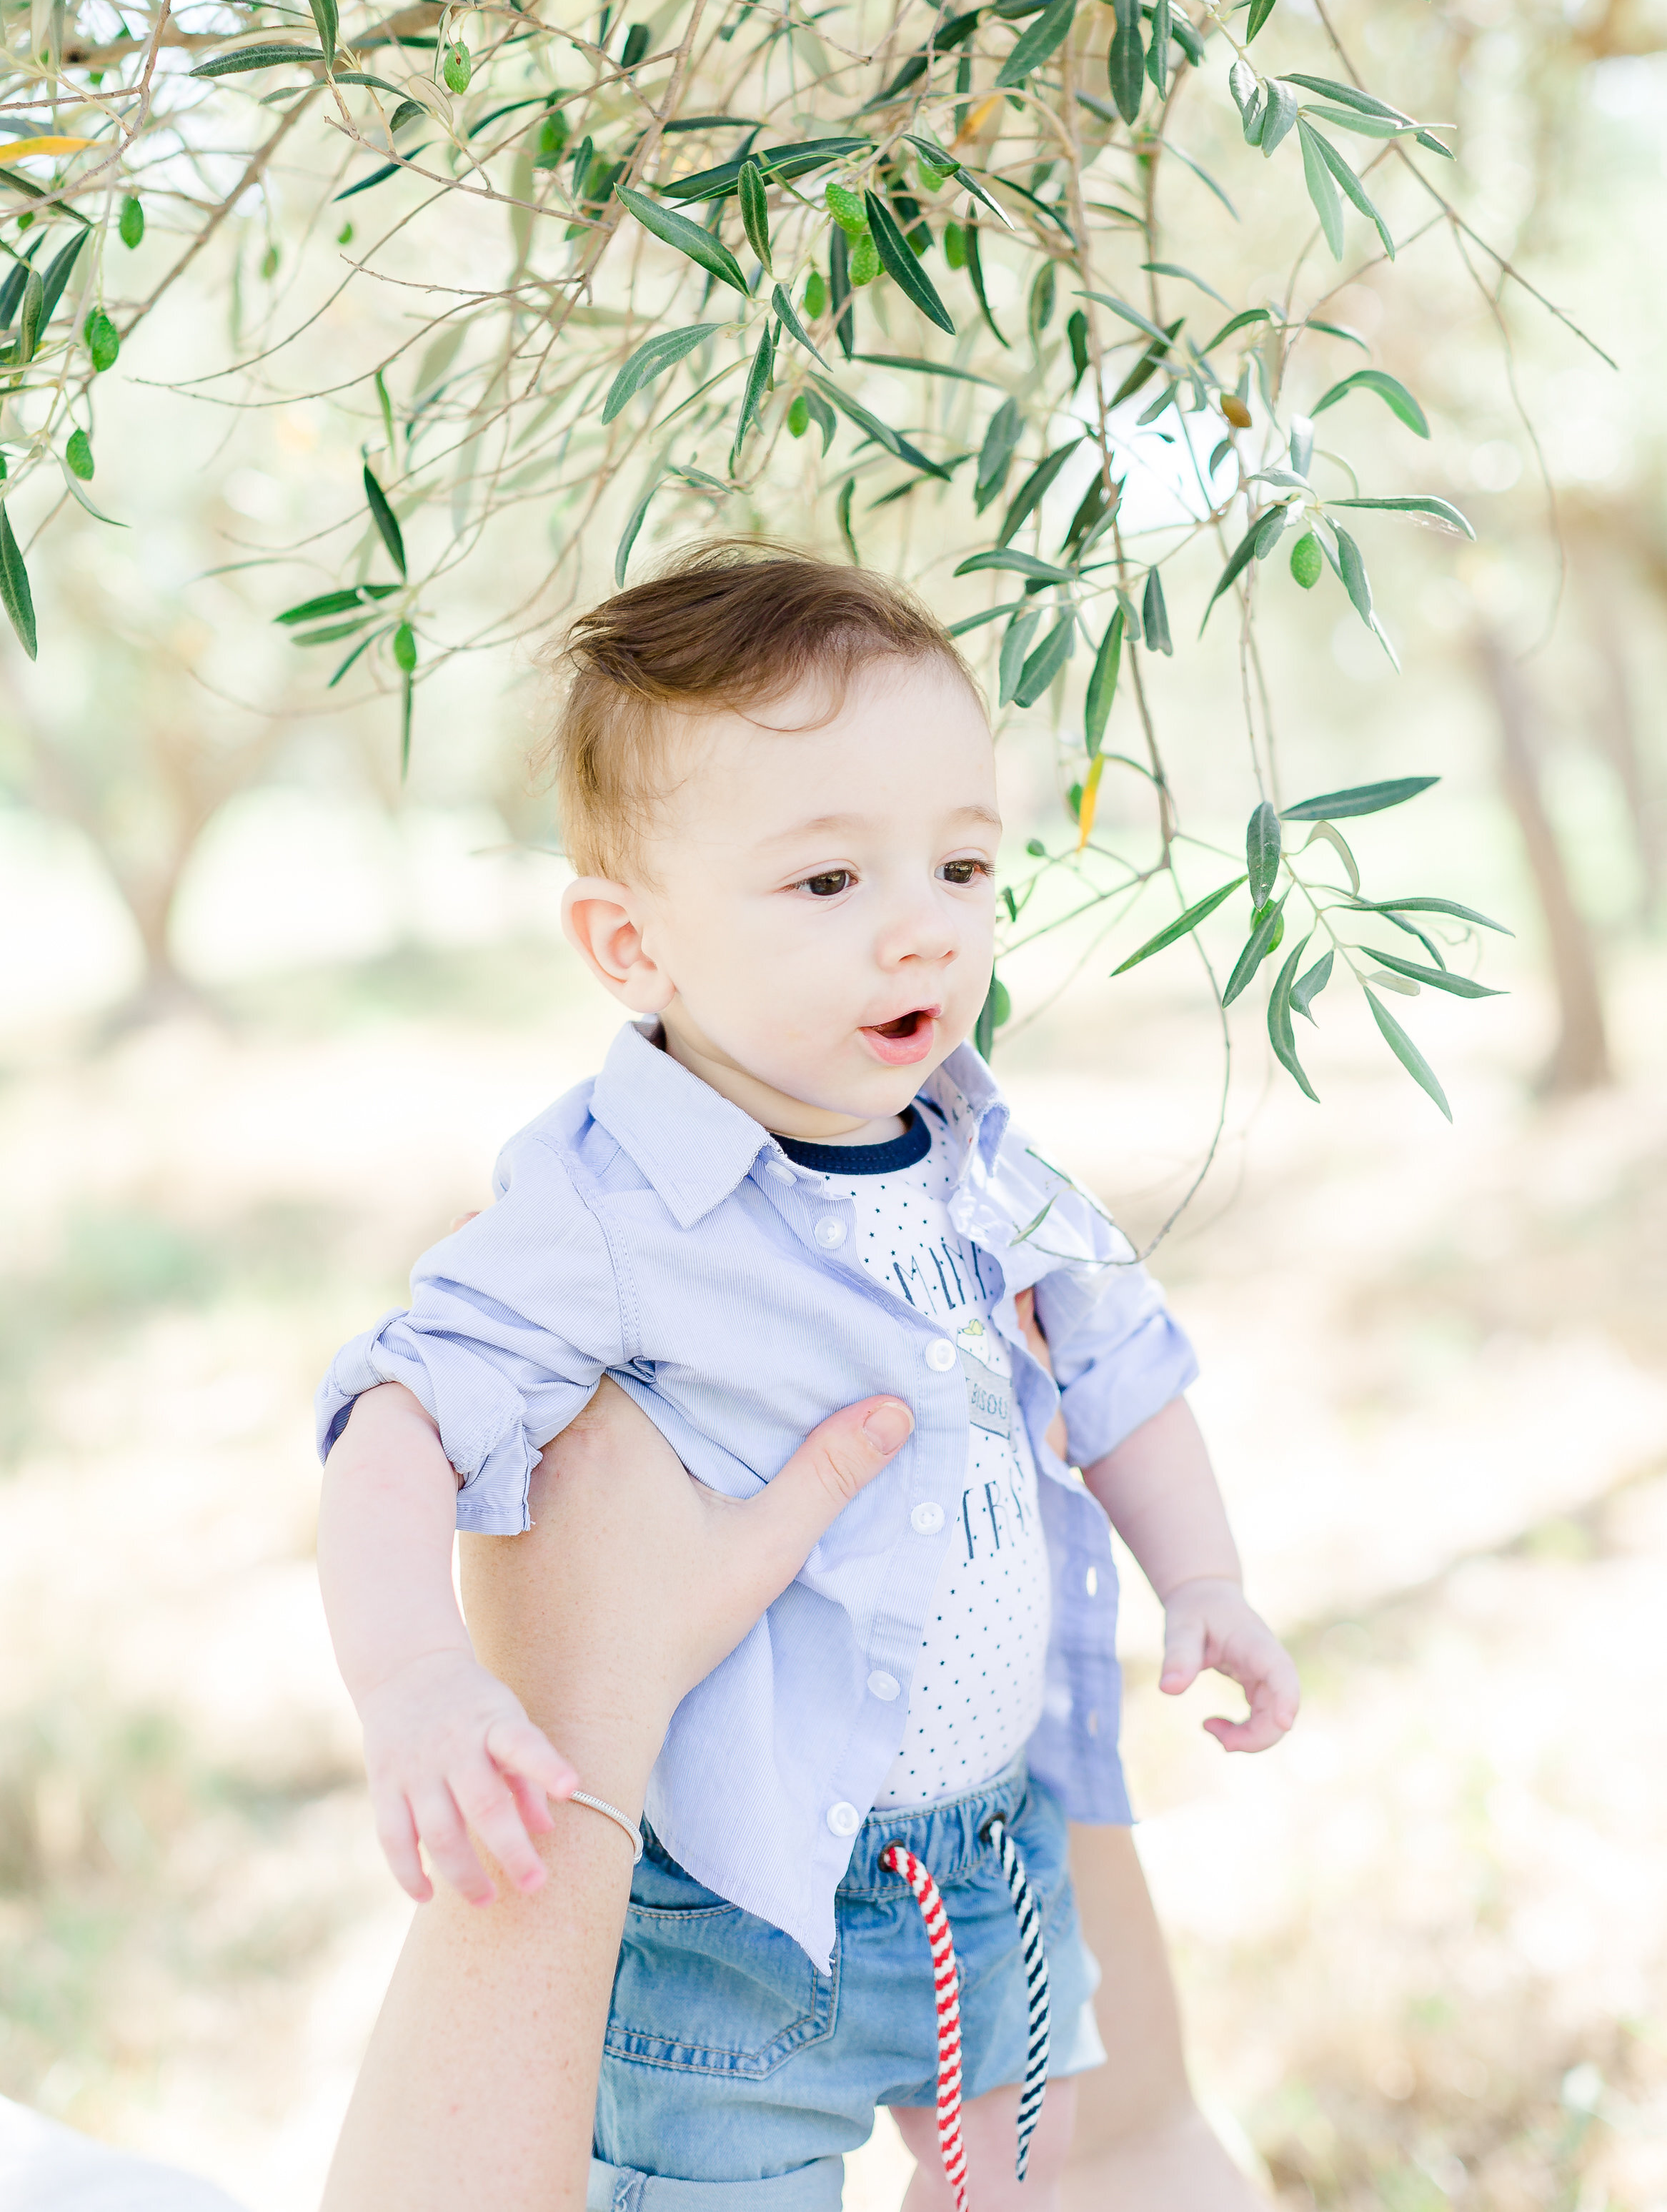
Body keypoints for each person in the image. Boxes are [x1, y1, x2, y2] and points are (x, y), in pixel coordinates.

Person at [314, 544, 1298, 2212]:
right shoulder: (611, 1204)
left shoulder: (984, 1150)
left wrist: (1203, 1575)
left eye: (965, 865)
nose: (923, 926)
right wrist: (415, 1679)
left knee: (1021, 2181)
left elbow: (1126, 1365)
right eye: (830, 884)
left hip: (986, 1851)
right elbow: (399, 1412)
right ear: (632, 945)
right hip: (738, 1910)